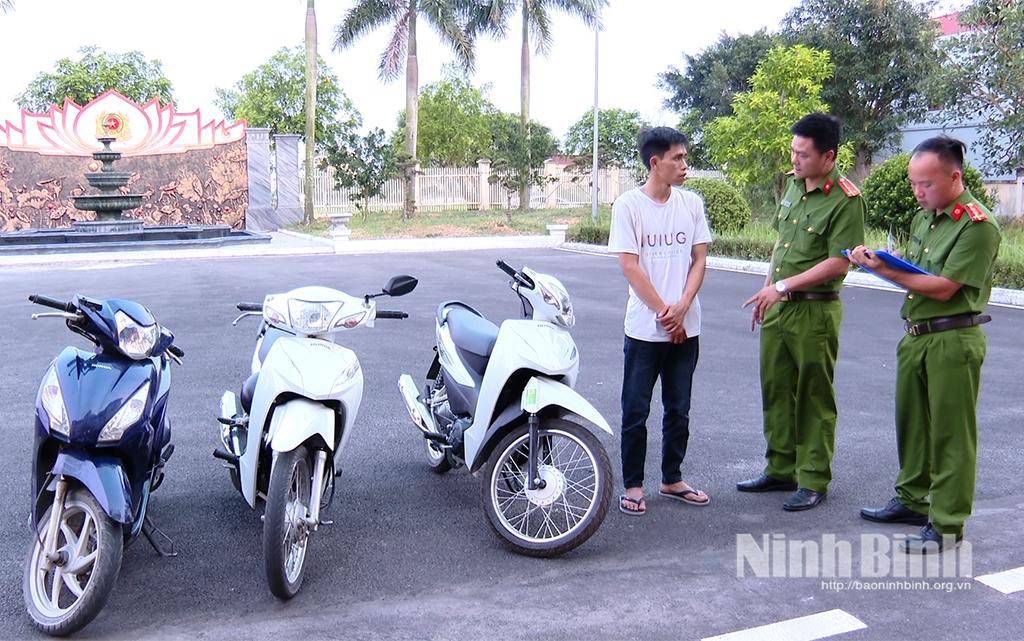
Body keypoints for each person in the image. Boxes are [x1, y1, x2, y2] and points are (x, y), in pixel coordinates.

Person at [851, 136, 1001, 553]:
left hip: (953, 337)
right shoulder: (925, 218)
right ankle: (913, 500)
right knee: (912, 426)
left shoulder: (977, 225)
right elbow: (918, 269)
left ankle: (949, 522)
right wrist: (888, 261)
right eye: (914, 183)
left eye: (926, 184)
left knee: (951, 435)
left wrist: (886, 271)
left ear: (955, 176)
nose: (918, 192)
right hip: (916, 336)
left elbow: (943, 287)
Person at [738, 113, 865, 511]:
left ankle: (812, 478)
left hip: (815, 312)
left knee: (813, 395)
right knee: (775, 389)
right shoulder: (793, 186)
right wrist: (766, 288)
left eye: (803, 155)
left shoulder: (846, 199)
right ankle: (780, 468)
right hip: (778, 307)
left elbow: (839, 262)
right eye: (792, 151)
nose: (794, 160)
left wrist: (783, 286)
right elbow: (781, 243)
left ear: (828, 156)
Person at [608, 126, 712, 516]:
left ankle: (672, 479)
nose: (685, 165)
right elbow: (630, 267)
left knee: (678, 408)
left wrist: (683, 306)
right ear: (656, 162)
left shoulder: (691, 204)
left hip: (688, 327)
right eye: (678, 158)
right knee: (636, 410)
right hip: (644, 330)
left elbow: (699, 259)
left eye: (684, 157)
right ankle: (634, 486)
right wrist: (665, 314)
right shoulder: (628, 206)